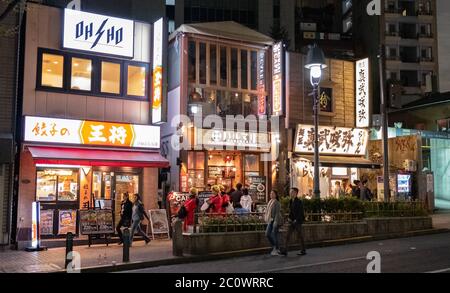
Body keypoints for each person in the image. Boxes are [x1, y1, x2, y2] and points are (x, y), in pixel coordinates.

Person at [281, 188, 306, 256]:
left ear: (295, 193)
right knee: (287, 235)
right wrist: (289, 218)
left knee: (300, 236)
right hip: (292, 221)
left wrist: (296, 220)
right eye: (290, 192)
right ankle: (285, 250)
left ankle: (303, 250)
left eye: (291, 192)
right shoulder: (291, 201)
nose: (290, 193)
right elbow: (291, 211)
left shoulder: (299, 202)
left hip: (297, 221)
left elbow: (301, 212)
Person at [265, 190, 283, 256]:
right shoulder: (270, 202)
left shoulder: (277, 203)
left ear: (276, 195)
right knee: (267, 234)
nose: (271, 194)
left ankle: (276, 248)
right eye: (270, 193)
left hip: (275, 220)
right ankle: (275, 247)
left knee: (274, 234)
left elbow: (277, 213)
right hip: (270, 220)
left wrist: (275, 222)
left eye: (272, 193)